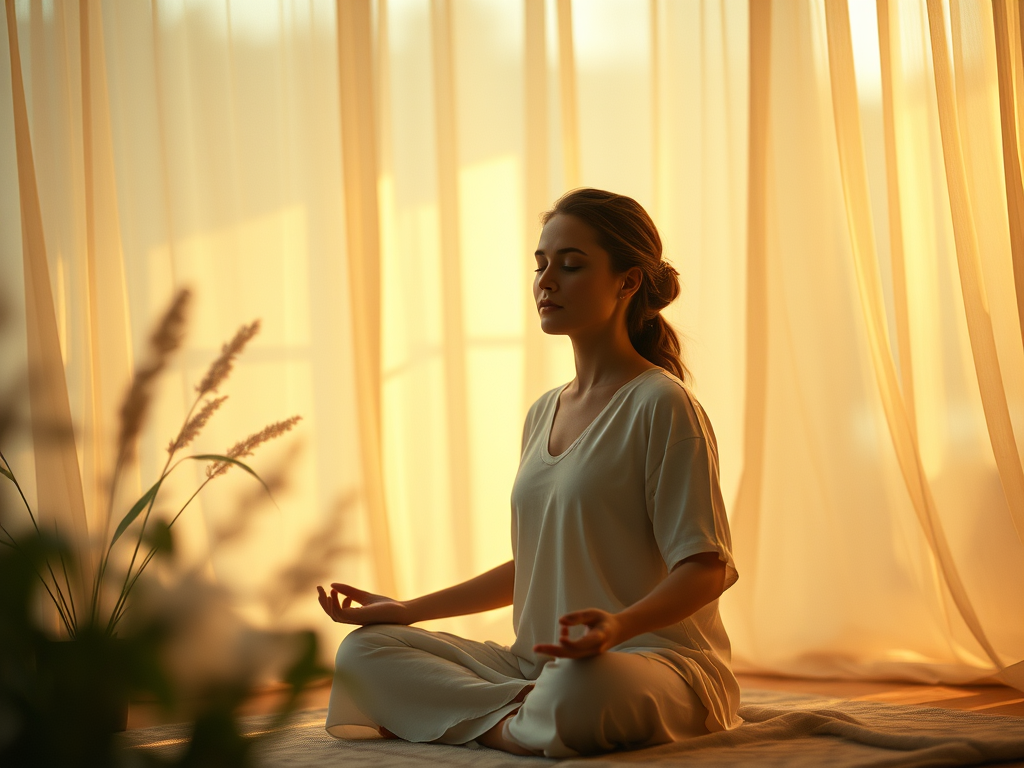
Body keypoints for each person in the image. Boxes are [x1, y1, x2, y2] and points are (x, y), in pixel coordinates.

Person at [317, 188, 740, 757]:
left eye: (571, 265)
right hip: (536, 666)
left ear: (628, 282)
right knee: (364, 653)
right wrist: (406, 609)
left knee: (580, 687)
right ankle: (522, 721)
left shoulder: (662, 405)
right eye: (540, 265)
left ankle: (493, 719)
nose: (546, 281)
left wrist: (616, 630)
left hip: (652, 662)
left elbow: (707, 568)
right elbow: (532, 565)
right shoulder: (544, 411)